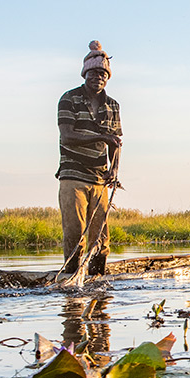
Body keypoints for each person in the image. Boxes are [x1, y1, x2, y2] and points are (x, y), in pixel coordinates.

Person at [56, 40, 122, 276]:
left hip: (99, 178)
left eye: (103, 74)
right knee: (75, 234)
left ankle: (97, 285)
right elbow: (67, 136)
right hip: (73, 175)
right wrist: (102, 136)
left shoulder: (112, 105)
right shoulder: (69, 99)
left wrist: (114, 170)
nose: (98, 77)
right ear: (85, 74)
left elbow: (116, 141)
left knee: (101, 240)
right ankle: (71, 281)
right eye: (94, 73)